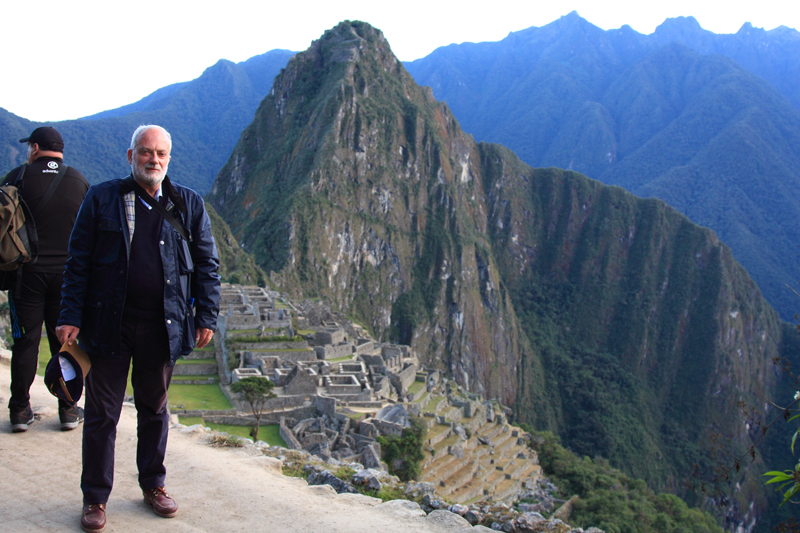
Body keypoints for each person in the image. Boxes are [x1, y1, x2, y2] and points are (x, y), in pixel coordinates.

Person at [56, 125, 221, 533]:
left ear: (169, 158)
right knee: (101, 415)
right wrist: (69, 314)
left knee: (154, 411)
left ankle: (154, 485)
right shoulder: (102, 199)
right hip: (107, 325)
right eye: (146, 152)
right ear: (130, 156)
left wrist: (206, 316)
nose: (154, 160)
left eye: (161, 153)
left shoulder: (188, 204)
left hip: (162, 327)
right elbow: (78, 261)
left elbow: (207, 265)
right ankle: (95, 497)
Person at [4, 126, 89, 432]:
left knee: (25, 344)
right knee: (66, 343)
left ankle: (20, 411)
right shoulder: (79, 181)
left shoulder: (17, 177)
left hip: (26, 276)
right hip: (67, 279)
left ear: (35, 147)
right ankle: (68, 410)